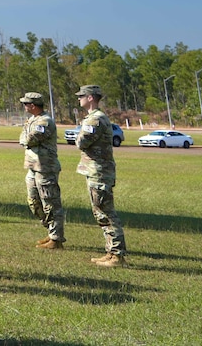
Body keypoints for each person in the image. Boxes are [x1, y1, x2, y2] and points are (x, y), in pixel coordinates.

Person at [75, 84, 126, 267]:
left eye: (82, 96)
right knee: (101, 213)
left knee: (106, 213)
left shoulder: (95, 119)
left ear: (90, 98)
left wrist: (79, 135)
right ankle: (111, 252)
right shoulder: (93, 118)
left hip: (99, 172)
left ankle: (117, 255)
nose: (79, 99)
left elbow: (81, 142)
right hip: (96, 171)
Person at [18, 92, 64, 250]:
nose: (24, 106)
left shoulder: (45, 121)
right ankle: (51, 231)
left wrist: (26, 139)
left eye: (26, 103)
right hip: (32, 167)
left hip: (45, 168)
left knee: (50, 203)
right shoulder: (32, 120)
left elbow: (29, 139)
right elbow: (22, 139)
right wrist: (25, 138)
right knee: (34, 202)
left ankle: (56, 238)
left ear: (33, 105)